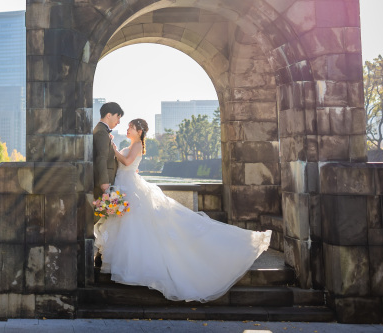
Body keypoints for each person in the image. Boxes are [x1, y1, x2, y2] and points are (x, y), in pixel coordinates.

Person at [94, 118, 271, 302]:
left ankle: (136, 267)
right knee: (128, 227)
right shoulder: (133, 144)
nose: (128, 129)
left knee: (136, 226)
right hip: (125, 186)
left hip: (130, 187)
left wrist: (114, 150)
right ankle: (126, 265)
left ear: (139, 131)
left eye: (130, 127)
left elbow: (128, 162)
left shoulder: (137, 145)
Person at [93, 102, 123, 196]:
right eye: (118, 117)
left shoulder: (102, 130)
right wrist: (104, 182)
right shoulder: (101, 132)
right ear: (109, 115)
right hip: (104, 184)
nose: (119, 122)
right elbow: (101, 158)